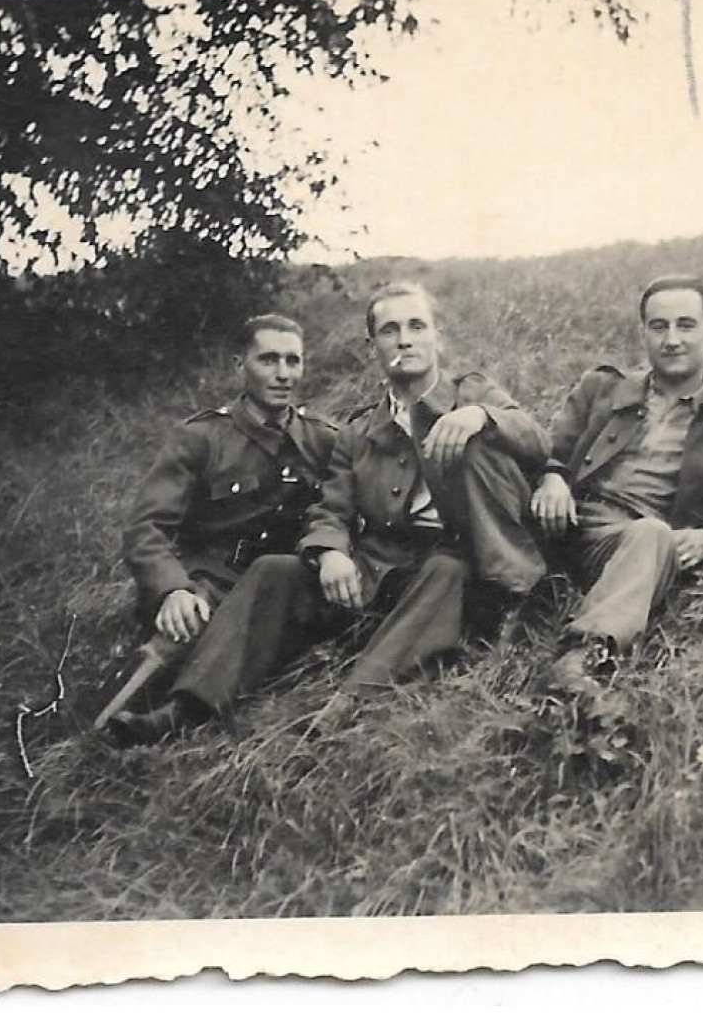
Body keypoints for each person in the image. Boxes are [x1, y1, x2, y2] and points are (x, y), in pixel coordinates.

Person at [107, 281, 548, 745]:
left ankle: (347, 706)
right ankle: (187, 707)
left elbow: (536, 438)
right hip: (384, 566)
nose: (405, 340)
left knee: (444, 567)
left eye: (417, 326)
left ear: (438, 336)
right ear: (373, 347)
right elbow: (331, 508)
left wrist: (479, 415)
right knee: (274, 570)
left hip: (462, 563)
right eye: (390, 330)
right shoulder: (358, 429)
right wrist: (330, 551)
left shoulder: (472, 390)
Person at [105, 314, 337, 724]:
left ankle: (179, 715)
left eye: (293, 361)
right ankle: (96, 732)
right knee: (173, 640)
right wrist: (172, 589)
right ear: (239, 365)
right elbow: (147, 528)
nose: (283, 374)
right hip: (209, 580)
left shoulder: (322, 440)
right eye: (268, 360)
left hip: (279, 585)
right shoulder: (201, 438)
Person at [530, 274, 703, 660]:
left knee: (653, 534)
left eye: (686, 326)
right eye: (659, 326)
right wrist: (553, 476)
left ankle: (583, 656)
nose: (672, 340)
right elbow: (550, 446)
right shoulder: (601, 389)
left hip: (639, 543)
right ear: (643, 334)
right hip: (568, 523)